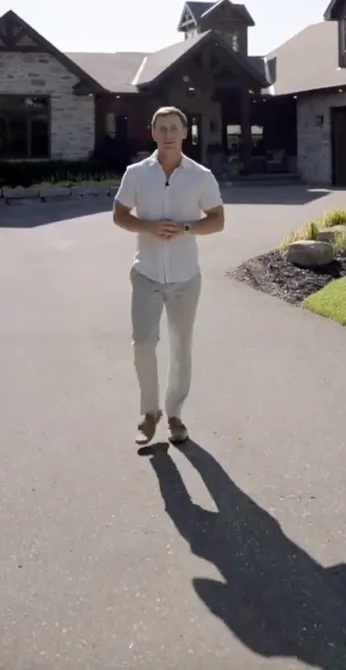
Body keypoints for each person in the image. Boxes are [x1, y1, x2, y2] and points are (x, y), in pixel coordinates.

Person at [113, 106, 225, 446]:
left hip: (185, 277)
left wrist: (186, 227)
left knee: (181, 347)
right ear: (153, 133)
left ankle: (175, 414)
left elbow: (217, 219)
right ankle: (150, 413)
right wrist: (146, 226)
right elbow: (119, 215)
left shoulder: (201, 175)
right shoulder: (136, 173)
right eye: (162, 128)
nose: (168, 134)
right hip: (145, 273)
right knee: (144, 343)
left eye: (174, 127)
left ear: (185, 133)